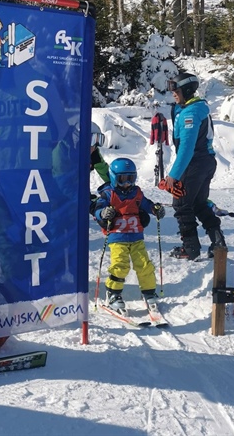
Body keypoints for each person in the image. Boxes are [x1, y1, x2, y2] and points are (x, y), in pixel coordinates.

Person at [164, 72, 225, 261]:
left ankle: (190, 248)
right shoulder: (194, 107)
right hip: (204, 161)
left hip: (195, 163)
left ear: (187, 90)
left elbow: (187, 149)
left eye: (176, 88)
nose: (172, 92)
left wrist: (173, 175)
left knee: (181, 204)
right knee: (198, 203)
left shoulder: (190, 113)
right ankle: (218, 243)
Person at [93, 157, 165, 312]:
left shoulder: (136, 193)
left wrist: (155, 209)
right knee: (120, 265)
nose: (127, 184)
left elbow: (147, 204)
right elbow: (98, 209)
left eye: (130, 179)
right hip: (117, 237)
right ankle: (113, 293)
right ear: (113, 177)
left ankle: (149, 292)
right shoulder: (108, 194)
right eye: (122, 179)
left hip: (136, 236)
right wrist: (103, 213)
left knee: (144, 265)